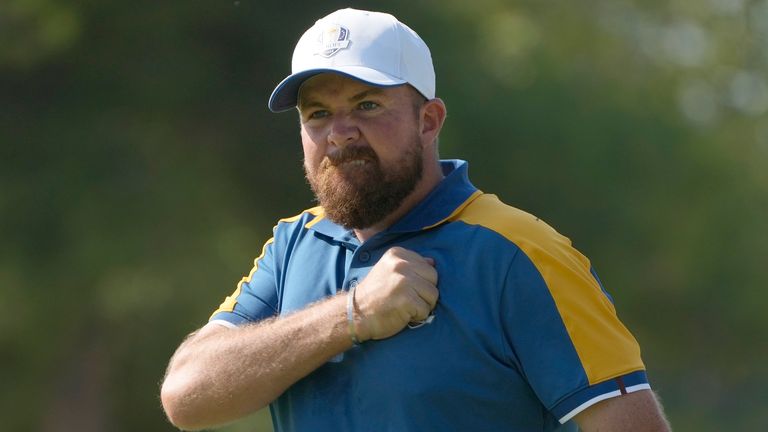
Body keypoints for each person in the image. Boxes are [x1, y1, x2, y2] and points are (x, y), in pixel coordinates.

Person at [161, 8, 671, 432]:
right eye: (317, 114)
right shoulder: (295, 243)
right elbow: (187, 395)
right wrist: (352, 315)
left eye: (366, 104)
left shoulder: (521, 253)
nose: (339, 133)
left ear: (428, 121)